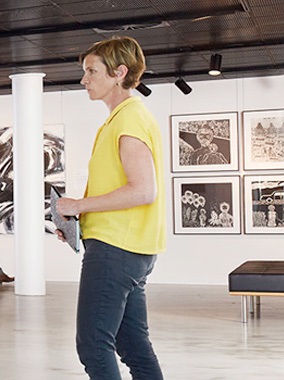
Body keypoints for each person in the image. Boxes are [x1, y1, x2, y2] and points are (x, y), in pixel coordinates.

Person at [56, 36, 165, 380]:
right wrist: (79, 217)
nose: (84, 79)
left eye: (91, 71)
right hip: (129, 247)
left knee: (92, 344)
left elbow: (143, 190)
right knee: (133, 345)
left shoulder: (128, 119)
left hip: (116, 248)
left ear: (119, 72)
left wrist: (78, 204)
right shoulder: (123, 117)